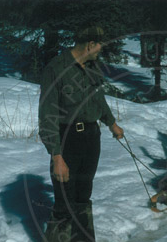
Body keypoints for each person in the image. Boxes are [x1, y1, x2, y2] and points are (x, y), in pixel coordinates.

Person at [38, 26, 124, 242]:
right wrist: (56, 156)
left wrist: (111, 123)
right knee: (64, 199)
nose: (100, 51)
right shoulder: (56, 69)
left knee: (83, 196)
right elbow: (47, 115)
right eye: (99, 46)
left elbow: (99, 98)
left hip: (91, 138)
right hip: (68, 140)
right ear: (90, 44)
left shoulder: (93, 66)